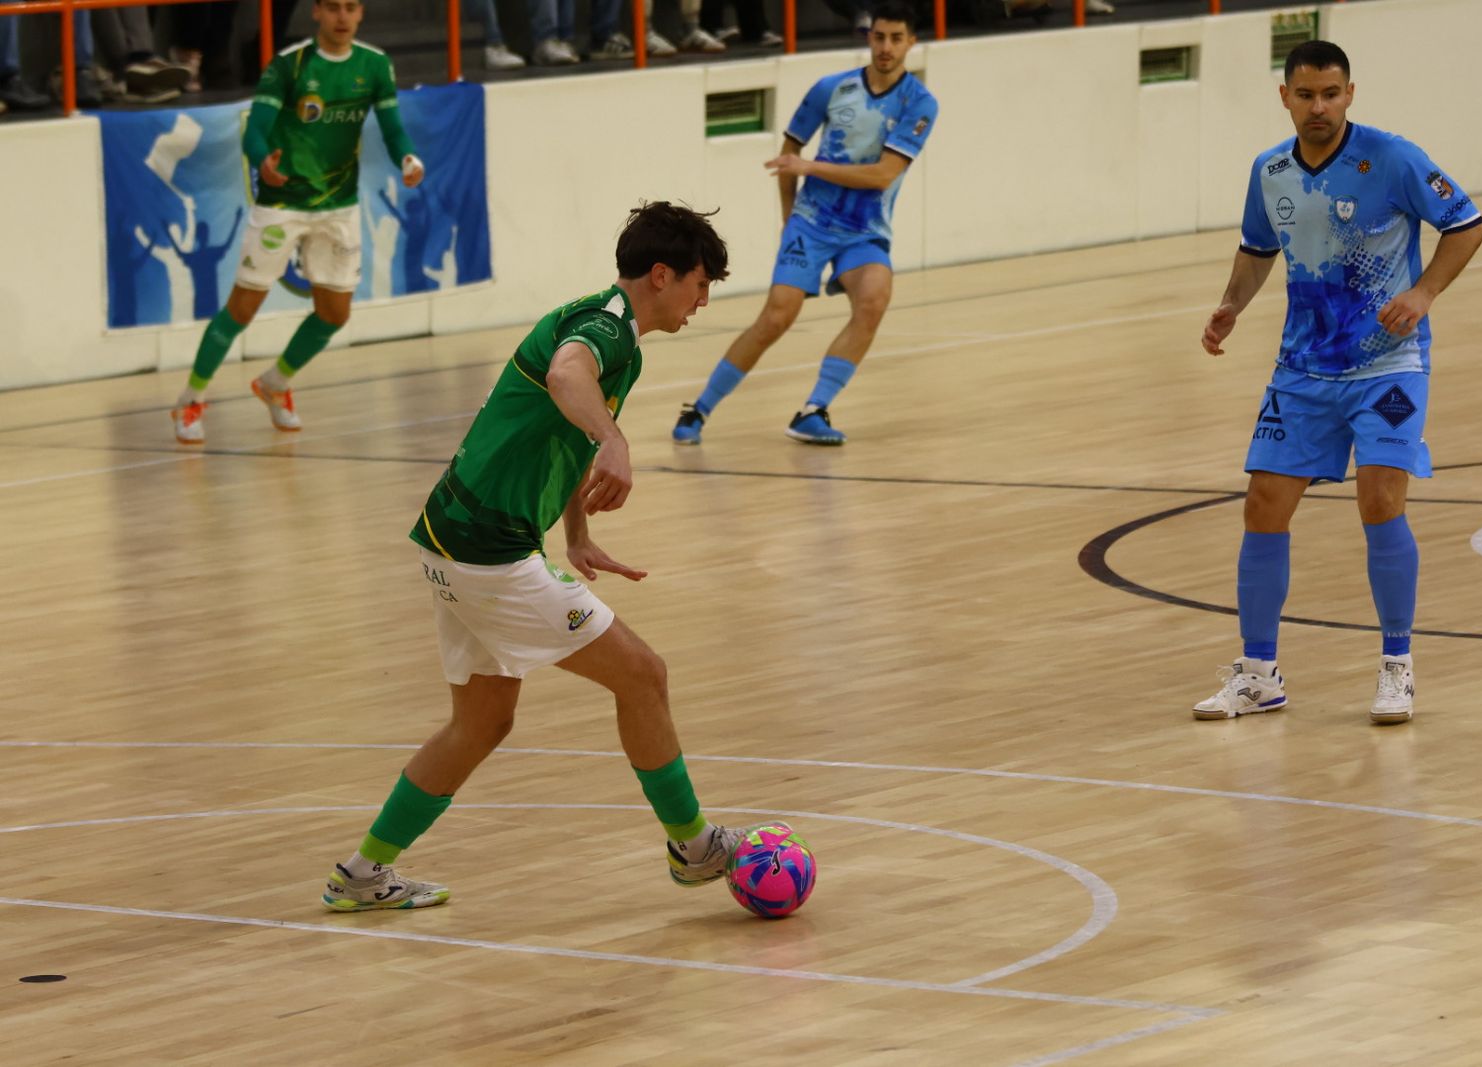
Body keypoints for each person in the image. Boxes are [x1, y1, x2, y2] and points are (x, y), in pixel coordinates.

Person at [318, 201, 767, 913]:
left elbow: (566, 431)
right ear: (662, 275)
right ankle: (694, 846)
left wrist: (576, 531)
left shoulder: (607, 326)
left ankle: (361, 873)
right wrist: (617, 441)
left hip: (455, 534)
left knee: (483, 722)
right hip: (487, 551)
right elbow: (566, 379)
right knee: (644, 676)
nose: (704, 300)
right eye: (701, 283)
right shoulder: (605, 331)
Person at [1191, 40, 1482, 726]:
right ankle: (1259, 675)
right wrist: (1232, 304)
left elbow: (1466, 225)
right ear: (1285, 96)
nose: (1318, 106)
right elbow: (1258, 249)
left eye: (1330, 93)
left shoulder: (1393, 158)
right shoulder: (1269, 171)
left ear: (1350, 93)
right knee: (1263, 502)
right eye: (1305, 94)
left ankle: (1397, 669)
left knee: (1380, 496)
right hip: (1301, 370)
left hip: (1388, 364)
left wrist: (1424, 293)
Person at [672, 0, 937, 446]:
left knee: (873, 299)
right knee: (776, 316)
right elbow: (789, 151)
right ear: (868, 37)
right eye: (879, 36)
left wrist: (810, 168)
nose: (886, 47)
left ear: (912, 42)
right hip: (810, 223)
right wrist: (788, 217)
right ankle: (699, 409)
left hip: (864, 231)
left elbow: (883, 174)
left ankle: (813, 410)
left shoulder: (920, 102)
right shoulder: (830, 89)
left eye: (896, 38)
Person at [169, 0, 424, 445]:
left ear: (361, 13)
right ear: (317, 13)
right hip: (282, 205)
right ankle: (190, 399)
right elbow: (255, 132)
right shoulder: (289, 66)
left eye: (351, 8)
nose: (343, 17)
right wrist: (261, 161)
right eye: (333, 8)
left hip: (338, 207)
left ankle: (275, 382)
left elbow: (392, 128)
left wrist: (407, 156)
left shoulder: (375, 65)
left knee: (333, 314)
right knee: (242, 308)